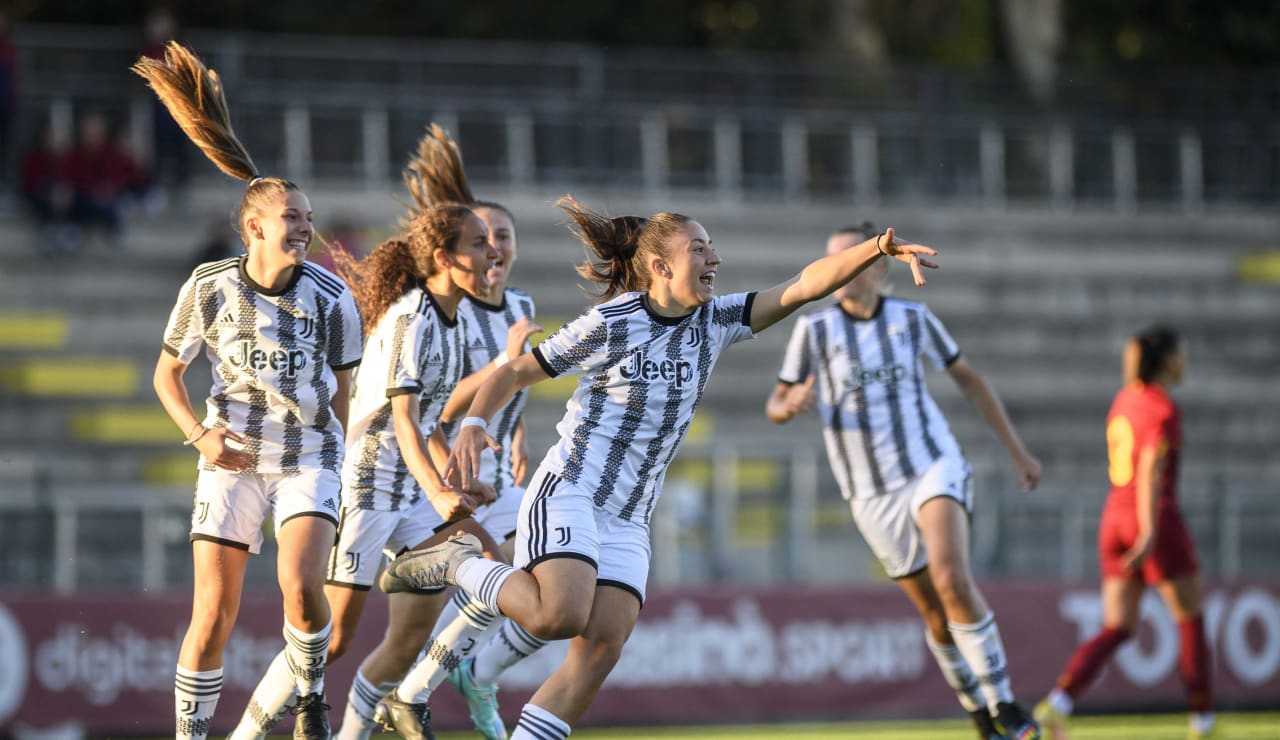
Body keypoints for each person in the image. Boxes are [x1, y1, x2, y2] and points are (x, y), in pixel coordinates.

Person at [379, 200, 939, 740]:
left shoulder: (717, 320)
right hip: (572, 489)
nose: (714, 258)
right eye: (700, 247)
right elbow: (513, 373)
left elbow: (805, 284)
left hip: (630, 518)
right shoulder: (612, 321)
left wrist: (875, 248)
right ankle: (460, 563)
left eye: (713, 247)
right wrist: (476, 422)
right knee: (557, 617)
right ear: (660, 265)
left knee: (600, 650)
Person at [228, 142, 504, 740]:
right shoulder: (413, 315)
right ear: (444, 258)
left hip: (406, 492)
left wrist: (452, 483)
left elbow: (427, 425)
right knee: (331, 641)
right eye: (481, 242)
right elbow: (401, 419)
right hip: (364, 487)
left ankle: (411, 696)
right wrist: (439, 493)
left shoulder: (453, 318)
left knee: (490, 561)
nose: (494, 252)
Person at [134, 42, 364, 740]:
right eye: (292, 217)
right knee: (213, 615)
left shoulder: (331, 296)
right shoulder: (208, 287)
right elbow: (166, 374)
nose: (305, 227)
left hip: (306, 457)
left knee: (300, 586)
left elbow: (349, 390)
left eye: (309, 216)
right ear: (254, 226)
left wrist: (346, 465)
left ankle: (314, 698)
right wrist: (199, 435)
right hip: (228, 455)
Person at [764, 223, 1043, 740]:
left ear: (876, 265)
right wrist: (789, 406)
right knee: (936, 616)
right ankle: (980, 717)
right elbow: (776, 402)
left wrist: (1015, 449)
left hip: (930, 463)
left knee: (952, 579)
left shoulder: (913, 319)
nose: (838, 270)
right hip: (870, 493)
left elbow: (969, 379)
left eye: (850, 258)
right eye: (832, 260)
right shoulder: (814, 331)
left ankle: (1007, 707)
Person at [375, 125, 544, 740]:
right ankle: (410, 697)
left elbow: (512, 391)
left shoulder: (520, 305)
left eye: (504, 236)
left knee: (552, 575)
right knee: (376, 637)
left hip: (497, 477)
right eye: (485, 237)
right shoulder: (454, 305)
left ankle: (465, 678)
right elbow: (441, 411)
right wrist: (507, 363)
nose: (495, 247)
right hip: (442, 479)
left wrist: (520, 431)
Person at [1034, 328, 1213, 740]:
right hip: (1153, 517)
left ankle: (1058, 702)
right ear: (1167, 360)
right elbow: (1151, 466)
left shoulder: (1124, 400)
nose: (1184, 362)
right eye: (1181, 354)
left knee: (1118, 625)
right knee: (1190, 618)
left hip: (1113, 516)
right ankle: (1202, 721)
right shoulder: (1161, 407)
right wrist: (1150, 530)